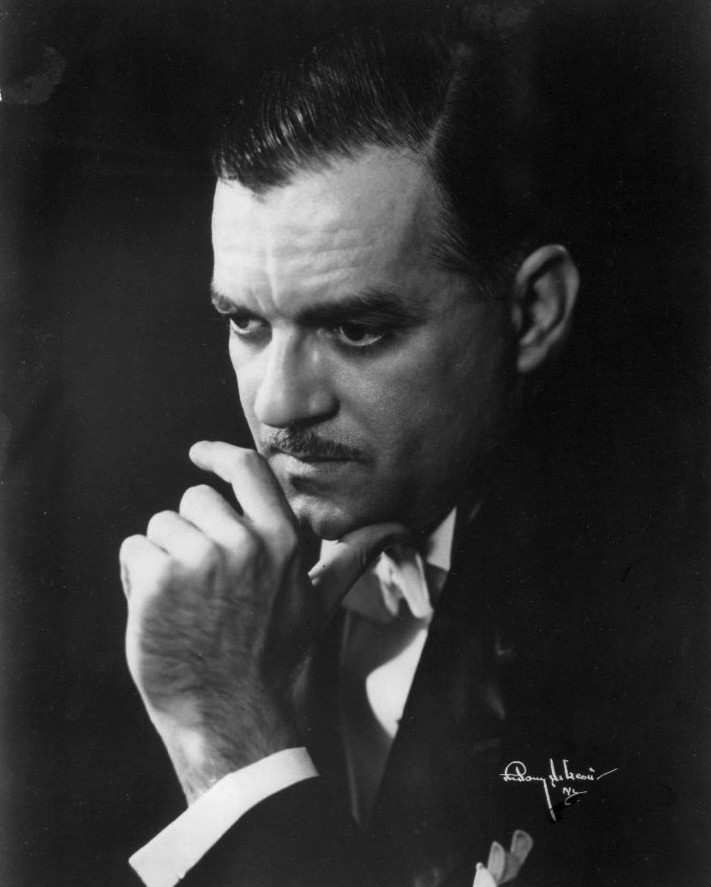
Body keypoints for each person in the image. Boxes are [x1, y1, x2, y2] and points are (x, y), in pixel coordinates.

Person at [119, 8, 702, 887]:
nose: (277, 403)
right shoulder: (187, 598)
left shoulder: (660, 625)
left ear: (531, 312)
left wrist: (225, 744)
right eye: (244, 322)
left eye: (356, 329)